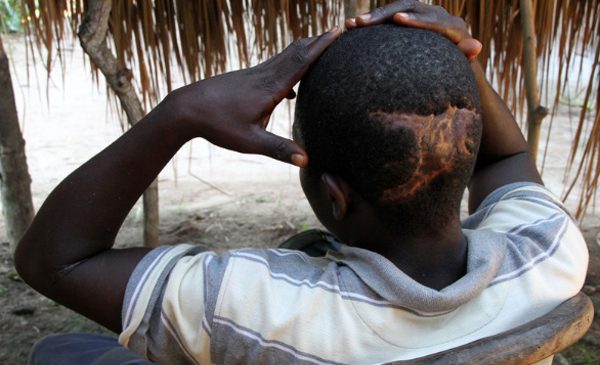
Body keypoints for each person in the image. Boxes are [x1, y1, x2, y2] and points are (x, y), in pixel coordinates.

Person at [16, 1, 588, 364]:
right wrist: (467, 64)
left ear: (334, 199)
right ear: (464, 158)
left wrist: (181, 112)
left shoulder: (252, 307)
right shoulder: (548, 252)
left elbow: (55, 261)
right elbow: (506, 157)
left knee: (60, 351)